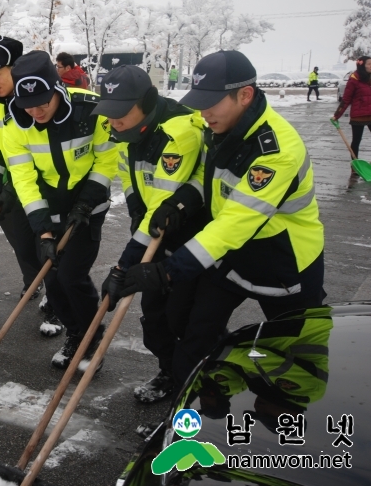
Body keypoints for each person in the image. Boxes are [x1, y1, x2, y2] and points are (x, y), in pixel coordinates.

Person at [118, 50, 325, 389]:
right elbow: (207, 173)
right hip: (230, 257)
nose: (203, 113)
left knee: (298, 358)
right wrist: (181, 202)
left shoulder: (276, 151)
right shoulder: (215, 124)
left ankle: (283, 424)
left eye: (212, 103)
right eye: (200, 102)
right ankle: (195, 413)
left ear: (245, 95)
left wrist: (169, 270)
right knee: (192, 331)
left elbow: (236, 222)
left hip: (285, 263)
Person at [94, 65, 206, 403]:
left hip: (189, 239)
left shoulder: (178, 134)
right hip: (155, 230)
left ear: (147, 102)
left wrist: (122, 266)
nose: (113, 121)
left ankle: (197, 387)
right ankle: (169, 372)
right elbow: (129, 175)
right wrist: (135, 209)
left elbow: (164, 200)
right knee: (155, 320)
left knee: (185, 321)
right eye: (109, 113)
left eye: (121, 113)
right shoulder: (126, 129)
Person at [4, 50, 119, 369]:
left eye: (43, 101)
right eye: (29, 104)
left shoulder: (91, 109)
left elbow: (107, 159)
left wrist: (87, 202)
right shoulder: (14, 124)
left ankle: (92, 338)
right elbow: (24, 178)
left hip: (88, 203)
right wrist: (42, 230)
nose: (36, 111)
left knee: (71, 274)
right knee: (52, 277)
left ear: (58, 89)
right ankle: (76, 332)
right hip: (48, 205)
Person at [0, 36, 59, 335]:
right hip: (12, 186)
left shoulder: (35, 100)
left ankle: (56, 300)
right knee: (22, 244)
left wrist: (11, 188)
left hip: (39, 186)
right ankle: (34, 281)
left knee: (46, 243)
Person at [332, 56, 371, 160]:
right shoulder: (354, 79)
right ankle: (355, 165)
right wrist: (337, 115)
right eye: (369, 64)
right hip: (358, 115)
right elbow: (346, 99)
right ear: (362, 66)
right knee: (356, 141)